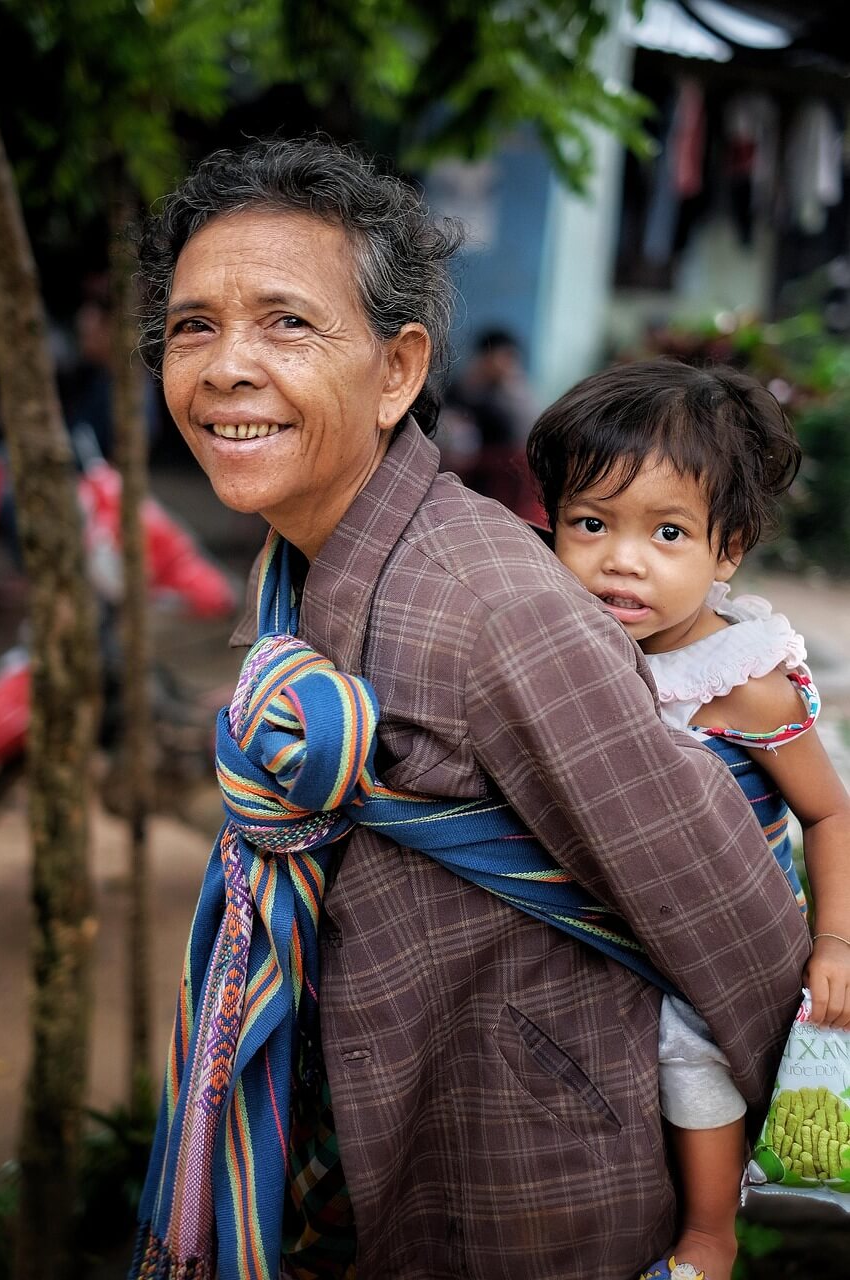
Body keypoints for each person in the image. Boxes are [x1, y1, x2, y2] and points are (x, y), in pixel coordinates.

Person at [131, 137, 808, 1280]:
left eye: (287, 322)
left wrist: (768, 1151)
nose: (225, 366)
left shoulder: (484, 601)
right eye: (193, 325)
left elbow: (729, 913)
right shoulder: (309, 565)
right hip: (389, 1144)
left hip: (532, 1191)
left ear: (397, 370)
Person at [527, 357, 850, 1280]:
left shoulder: (743, 683)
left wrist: (836, 945)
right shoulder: (563, 640)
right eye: (591, 524)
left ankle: (709, 1236)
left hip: (719, 934)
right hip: (605, 924)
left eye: (668, 532)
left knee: (687, 1044)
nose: (622, 560)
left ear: (728, 550)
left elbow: (830, 817)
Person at [440, 328, 542, 520]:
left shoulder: (516, 392)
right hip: (464, 475)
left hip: (506, 482)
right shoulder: (460, 388)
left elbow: (530, 432)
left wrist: (511, 385)